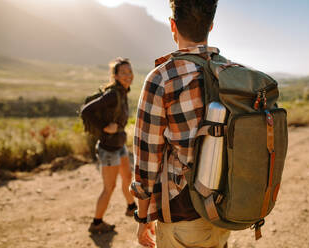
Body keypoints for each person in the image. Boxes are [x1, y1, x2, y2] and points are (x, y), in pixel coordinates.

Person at [130, 1, 230, 247]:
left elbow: (147, 158)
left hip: (183, 210)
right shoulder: (230, 72)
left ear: (173, 25)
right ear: (211, 26)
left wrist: (143, 217)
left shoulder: (162, 78)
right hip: (227, 207)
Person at [82, 57, 137, 234]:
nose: (128, 75)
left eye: (130, 72)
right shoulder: (113, 94)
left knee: (127, 177)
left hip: (119, 145)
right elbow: (86, 111)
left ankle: (131, 207)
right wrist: (104, 128)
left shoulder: (123, 91)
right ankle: (96, 223)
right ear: (115, 75)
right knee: (109, 187)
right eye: (124, 72)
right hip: (108, 149)